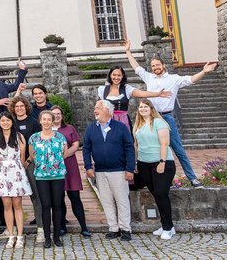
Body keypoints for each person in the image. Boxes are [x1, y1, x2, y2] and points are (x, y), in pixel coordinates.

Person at [125, 40, 218, 187]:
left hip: (167, 117)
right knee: (143, 146)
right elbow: (136, 67)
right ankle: (145, 179)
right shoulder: (149, 77)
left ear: (163, 65)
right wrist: (128, 51)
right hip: (150, 117)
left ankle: (192, 177)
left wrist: (204, 72)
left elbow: (191, 80)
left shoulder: (174, 79)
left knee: (177, 148)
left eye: (157, 65)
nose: (155, 67)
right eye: (153, 66)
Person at [83, 100, 135, 241]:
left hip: (119, 170)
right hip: (100, 171)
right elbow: (86, 148)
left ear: (107, 110)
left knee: (122, 200)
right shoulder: (91, 128)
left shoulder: (121, 127)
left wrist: (130, 168)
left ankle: (125, 229)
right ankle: (113, 228)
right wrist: (88, 166)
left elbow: (130, 147)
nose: (95, 110)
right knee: (106, 201)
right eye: (95, 108)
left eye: (98, 108)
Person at [133, 98, 177, 240]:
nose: (143, 109)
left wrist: (162, 162)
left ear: (151, 109)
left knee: (161, 193)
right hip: (144, 164)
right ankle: (167, 224)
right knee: (156, 194)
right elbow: (136, 145)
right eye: (141, 107)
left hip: (162, 163)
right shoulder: (138, 125)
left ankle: (168, 228)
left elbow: (165, 143)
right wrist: (135, 163)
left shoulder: (159, 122)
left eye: (146, 106)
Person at [50, 106, 90, 238]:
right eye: (54, 114)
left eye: (58, 113)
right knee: (58, 198)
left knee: (74, 196)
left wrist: (65, 154)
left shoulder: (69, 128)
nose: (56, 116)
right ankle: (62, 226)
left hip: (69, 164)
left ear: (62, 115)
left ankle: (84, 227)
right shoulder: (47, 130)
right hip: (55, 167)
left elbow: (76, 144)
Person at [29, 110, 67, 249]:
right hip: (41, 176)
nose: (46, 122)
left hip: (57, 175)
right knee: (45, 206)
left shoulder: (60, 137)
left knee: (57, 205)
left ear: (52, 121)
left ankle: (57, 236)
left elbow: (65, 153)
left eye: (48, 119)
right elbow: (32, 155)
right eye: (43, 119)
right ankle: (47, 237)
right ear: (40, 121)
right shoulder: (33, 138)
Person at [0, 112, 31, 250]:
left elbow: (22, 157)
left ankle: (20, 236)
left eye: (7, 120)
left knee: (17, 204)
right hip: (3, 174)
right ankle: (11, 235)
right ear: (0, 123)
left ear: (12, 122)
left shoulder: (19, 137)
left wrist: (16, 170)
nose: (5, 123)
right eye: (2, 121)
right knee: (7, 205)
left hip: (16, 173)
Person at [9, 94, 42, 238]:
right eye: (17, 106)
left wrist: (28, 160)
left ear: (26, 107)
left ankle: (41, 227)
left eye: (22, 106)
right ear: (13, 109)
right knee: (15, 197)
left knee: (36, 195)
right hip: (14, 165)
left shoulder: (34, 122)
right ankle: (15, 228)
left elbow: (36, 143)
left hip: (30, 163)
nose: (20, 108)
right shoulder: (11, 123)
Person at [98, 65, 170, 129]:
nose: (116, 77)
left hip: (123, 121)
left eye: (119, 75)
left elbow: (142, 93)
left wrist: (158, 94)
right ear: (110, 75)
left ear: (122, 76)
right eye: (114, 75)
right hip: (107, 120)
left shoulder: (126, 88)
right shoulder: (103, 89)